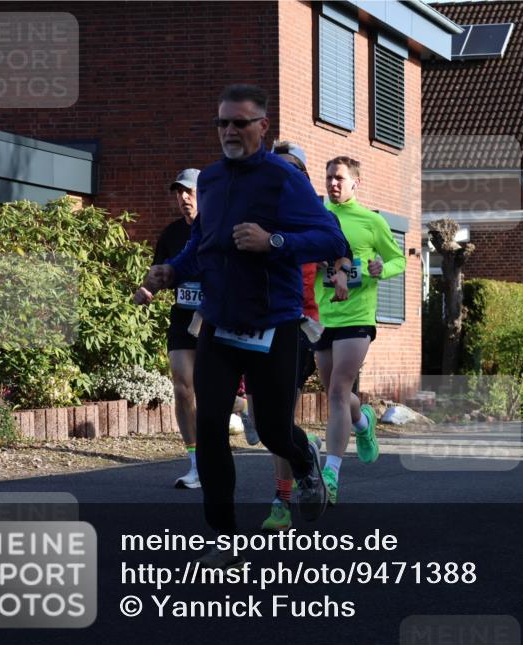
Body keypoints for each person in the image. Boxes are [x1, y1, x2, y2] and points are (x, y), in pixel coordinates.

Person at [137, 84, 350, 565]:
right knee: (211, 426)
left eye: (240, 122)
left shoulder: (283, 180)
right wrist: (175, 269)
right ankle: (222, 533)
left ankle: (302, 458)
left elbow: (329, 236)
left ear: (262, 126)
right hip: (218, 323)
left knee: (273, 430)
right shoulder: (209, 181)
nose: (230, 131)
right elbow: (203, 243)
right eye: (222, 123)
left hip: (272, 326)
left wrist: (273, 241)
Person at [314, 155, 406, 505]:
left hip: (357, 317)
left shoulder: (371, 222)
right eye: (329, 178)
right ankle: (364, 420)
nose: (333, 183)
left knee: (338, 390)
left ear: (356, 183)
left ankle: (331, 472)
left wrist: (382, 267)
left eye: (339, 178)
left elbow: (397, 259)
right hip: (323, 317)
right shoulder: (318, 219)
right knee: (334, 394)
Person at [260, 140, 328, 532]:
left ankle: (282, 500)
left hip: (300, 327)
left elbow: (339, 250)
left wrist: (339, 272)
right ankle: (305, 451)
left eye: (291, 168)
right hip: (257, 326)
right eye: (276, 166)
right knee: (261, 424)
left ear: (301, 175)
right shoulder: (257, 213)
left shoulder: (312, 215)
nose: (281, 173)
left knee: (278, 419)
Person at [137, 168, 203, 489]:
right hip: (182, 318)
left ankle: (244, 409)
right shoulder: (171, 234)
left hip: (215, 318)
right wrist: (147, 289)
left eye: (189, 192)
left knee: (213, 390)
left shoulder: (217, 230)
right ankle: (195, 463)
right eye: (179, 193)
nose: (183, 198)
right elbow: (160, 273)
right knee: (182, 386)